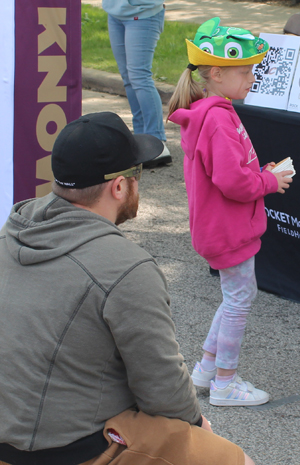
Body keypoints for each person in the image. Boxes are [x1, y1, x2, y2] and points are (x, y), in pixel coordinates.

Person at [0, 112, 254, 465]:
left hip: (11, 435)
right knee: (231, 459)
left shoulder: (9, 234)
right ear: (119, 187)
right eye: (138, 174)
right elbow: (163, 391)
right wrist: (197, 426)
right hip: (67, 450)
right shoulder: (125, 267)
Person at [168, 18, 293, 407]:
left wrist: (260, 173)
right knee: (239, 298)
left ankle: (207, 369)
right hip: (227, 228)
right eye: (245, 72)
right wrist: (269, 183)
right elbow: (232, 182)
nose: (252, 78)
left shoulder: (213, 111)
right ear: (217, 74)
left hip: (219, 226)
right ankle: (225, 383)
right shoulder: (218, 118)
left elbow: (230, 172)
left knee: (236, 295)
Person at [102, 0, 171, 168]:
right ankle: (141, 140)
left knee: (139, 77)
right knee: (128, 78)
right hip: (115, 12)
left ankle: (156, 142)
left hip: (143, 13)